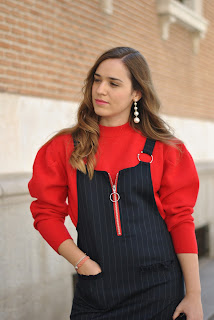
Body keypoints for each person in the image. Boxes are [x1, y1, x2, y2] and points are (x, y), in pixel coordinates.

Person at [28, 47, 203, 320]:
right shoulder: (63, 148)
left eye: (113, 83)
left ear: (137, 93)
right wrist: (80, 261)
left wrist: (194, 295)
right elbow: (45, 212)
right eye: (97, 80)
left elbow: (181, 219)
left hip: (160, 290)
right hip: (98, 291)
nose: (100, 90)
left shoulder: (167, 150)